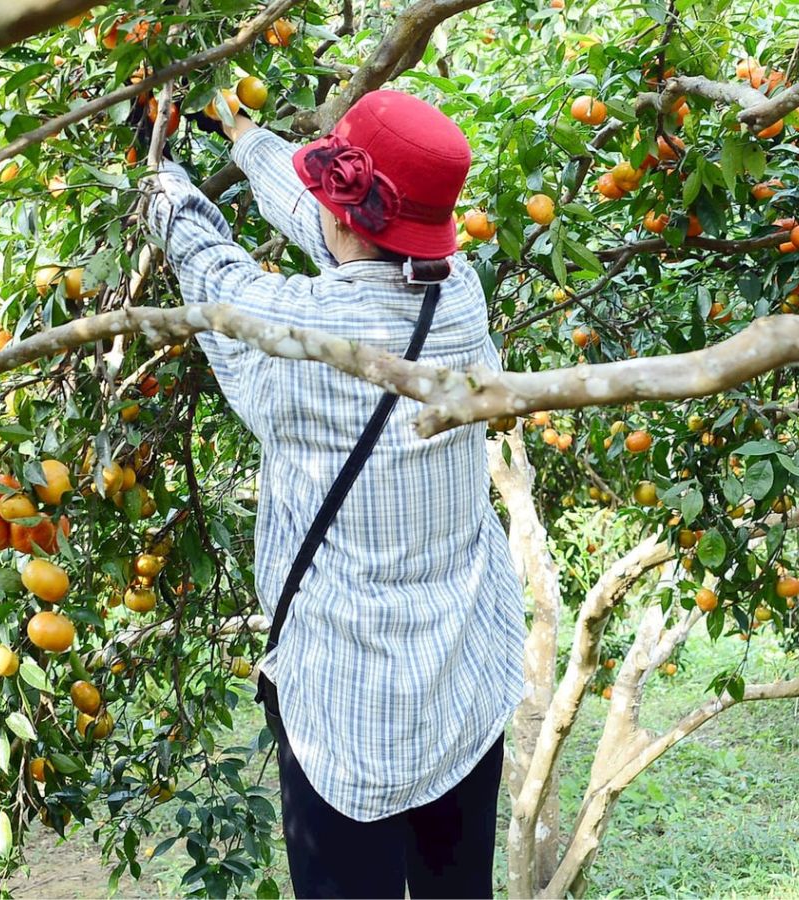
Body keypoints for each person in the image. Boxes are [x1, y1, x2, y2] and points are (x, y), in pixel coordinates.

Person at [144, 89, 526, 899]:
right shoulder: (462, 295)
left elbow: (211, 268)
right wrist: (242, 132)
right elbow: (330, 228)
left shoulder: (298, 335)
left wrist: (159, 173)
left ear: (346, 210)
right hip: (463, 675)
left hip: (344, 707)